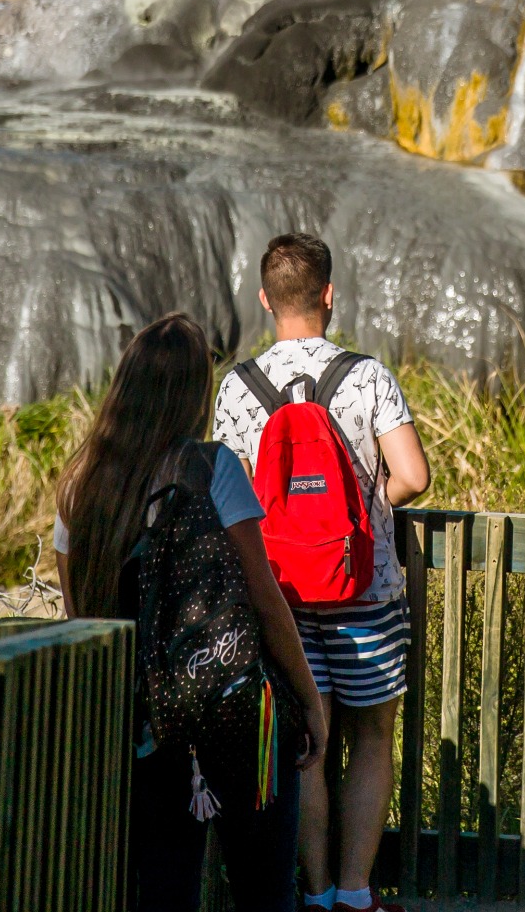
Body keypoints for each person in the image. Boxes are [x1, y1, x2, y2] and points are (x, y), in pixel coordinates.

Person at [57, 313, 326, 912]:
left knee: (161, 890)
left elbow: (80, 617)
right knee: (264, 891)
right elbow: (263, 596)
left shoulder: (80, 485)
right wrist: (307, 699)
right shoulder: (212, 468)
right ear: (192, 394)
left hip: (141, 729)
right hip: (234, 715)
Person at [215, 235, 433, 912]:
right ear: (329, 296)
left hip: (280, 597)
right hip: (365, 595)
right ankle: (356, 896)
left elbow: (229, 500)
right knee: (370, 738)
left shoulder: (238, 388)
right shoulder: (368, 378)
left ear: (264, 301)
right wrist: (361, 522)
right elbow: (414, 477)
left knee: (307, 744)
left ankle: (310, 896)